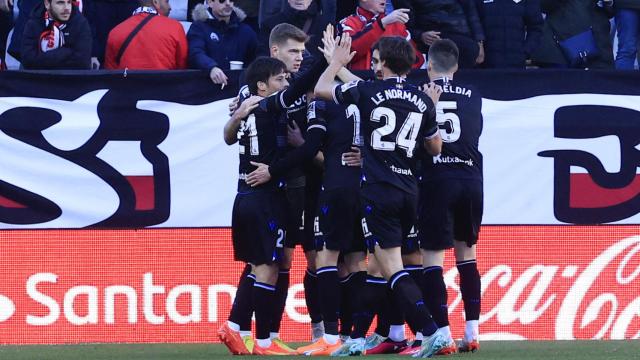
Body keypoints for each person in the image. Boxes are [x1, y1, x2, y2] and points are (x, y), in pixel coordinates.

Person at [315, 34, 448, 358]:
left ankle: (431, 332)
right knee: (376, 269)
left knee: (390, 266)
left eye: (375, 59)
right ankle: (357, 339)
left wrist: (335, 62)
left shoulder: (368, 92)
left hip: (379, 189)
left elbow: (321, 88)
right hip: (409, 190)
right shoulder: (421, 98)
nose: (372, 64)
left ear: (384, 62)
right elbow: (435, 147)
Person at [220, 52, 329, 355]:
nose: (286, 83)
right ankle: (262, 340)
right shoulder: (268, 105)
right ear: (262, 87)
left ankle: (238, 327)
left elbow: (228, 136)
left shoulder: (247, 107)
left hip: (247, 195)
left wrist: (235, 114)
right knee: (268, 267)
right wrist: (326, 59)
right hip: (262, 197)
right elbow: (301, 85)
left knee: (262, 266)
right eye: (279, 79)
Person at [418, 38, 483, 354]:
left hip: (436, 179)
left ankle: (442, 334)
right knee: (466, 257)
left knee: (432, 259)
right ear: (456, 66)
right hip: (470, 179)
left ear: (428, 65)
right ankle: (472, 332)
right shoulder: (474, 95)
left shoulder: (420, 94)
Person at [392, 0, 485, 69]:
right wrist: (421, 35)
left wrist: (479, 41)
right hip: (432, 37)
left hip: (463, 35)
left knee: (470, 49)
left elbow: (471, 12)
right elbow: (405, 26)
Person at [338, 0, 424, 70]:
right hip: (357, 85)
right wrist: (381, 24)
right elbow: (350, 52)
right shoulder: (348, 23)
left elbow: (416, 60)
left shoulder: (396, 24)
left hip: (390, 86)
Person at [188, 0, 257, 86]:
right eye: (222, 0)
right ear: (210, 2)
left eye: (231, 0)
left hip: (239, 88)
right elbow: (196, 52)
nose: (228, 3)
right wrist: (211, 67)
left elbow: (257, 56)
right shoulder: (198, 27)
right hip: (206, 86)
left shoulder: (246, 30)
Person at [104, 0, 187, 70]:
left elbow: (111, 74)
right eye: (166, 1)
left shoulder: (115, 32)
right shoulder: (175, 28)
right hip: (165, 86)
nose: (170, 7)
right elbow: (182, 66)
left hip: (128, 87)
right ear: (155, 2)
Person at [531, 0, 614, 69]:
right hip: (560, 50)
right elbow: (543, 5)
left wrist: (609, 2)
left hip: (600, 48)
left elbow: (610, 11)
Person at [20, 0, 92, 69]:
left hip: (72, 80)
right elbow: (28, 61)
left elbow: (83, 62)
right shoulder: (34, 23)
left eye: (69, 2)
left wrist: (42, 59)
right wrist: (65, 52)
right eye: (60, 3)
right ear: (47, 4)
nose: (67, 8)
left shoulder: (80, 23)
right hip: (39, 79)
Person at [474, 0, 543, 69]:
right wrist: (478, 47)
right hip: (485, 64)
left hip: (516, 65)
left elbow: (536, 27)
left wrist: (526, 51)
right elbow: (472, 21)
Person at [259, 0, 336, 59]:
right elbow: (264, 61)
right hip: (282, 77)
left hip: (317, 78)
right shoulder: (270, 25)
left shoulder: (326, 25)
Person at [614, 0, 640, 69]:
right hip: (626, 5)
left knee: (627, 50)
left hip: (625, 6)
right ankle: (622, 79)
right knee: (627, 50)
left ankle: (622, 79)